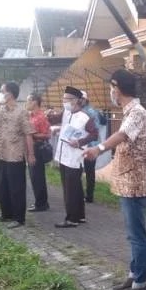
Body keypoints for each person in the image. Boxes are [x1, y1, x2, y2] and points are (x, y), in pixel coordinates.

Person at [83, 69, 146, 290]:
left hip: (136, 184)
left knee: (137, 235)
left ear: (118, 87)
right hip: (128, 183)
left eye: (112, 87)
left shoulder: (137, 112)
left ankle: (143, 284)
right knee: (132, 234)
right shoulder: (128, 111)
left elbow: (123, 135)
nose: (110, 92)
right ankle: (135, 275)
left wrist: (99, 149)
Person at [0, 82, 36, 228]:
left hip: (14, 155)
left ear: (10, 94)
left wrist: (31, 154)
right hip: (0, 153)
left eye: (2, 91)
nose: (0, 93)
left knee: (16, 187)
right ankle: (6, 213)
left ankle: (19, 218)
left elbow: (28, 134)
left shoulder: (21, 112)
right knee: (2, 186)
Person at [52, 87, 98, 228]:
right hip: (64, 154)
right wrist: (50, 117)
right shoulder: (66, 112)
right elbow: (57, 120)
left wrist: (80, 142)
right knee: (76, 188)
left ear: (75, 100)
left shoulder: (85, 117)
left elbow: (94, 134)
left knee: (70, 190)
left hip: (74, 157)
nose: (64, 101)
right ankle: (80, 216)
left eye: (66, 98)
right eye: (64, 98)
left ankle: (71, 218)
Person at [26, 93, 52, 212]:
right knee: (34, 177)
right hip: (31, 147)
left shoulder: (41, 117)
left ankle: (41, 203)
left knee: (38, 177)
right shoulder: (30, 116)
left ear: (35, 101)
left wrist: (33, 135)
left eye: (28, 101)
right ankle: (40, 202)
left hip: (38, 148)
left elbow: (47, 134)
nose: (27, 103)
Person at [80, 90, 106, 203]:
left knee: (84, 171)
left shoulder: (85, 112)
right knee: (90, 172)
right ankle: (89, 196)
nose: (78, 101)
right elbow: (103, 122)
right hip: (92, 144)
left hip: (87, 145)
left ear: (85, 100)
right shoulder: (93, 110)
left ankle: (86, 195)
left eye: (80, 99)